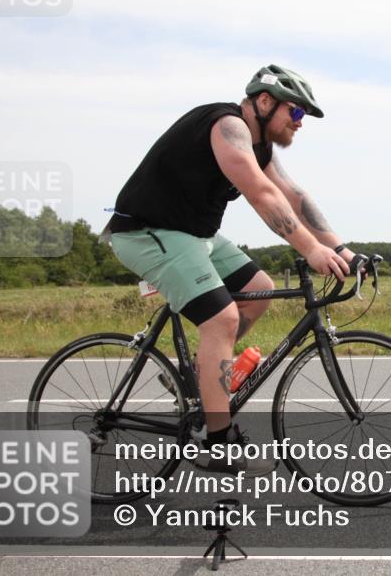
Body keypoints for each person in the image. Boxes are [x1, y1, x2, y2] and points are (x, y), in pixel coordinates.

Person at [104, 65, 356, 474]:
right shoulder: (228, 127)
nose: (300, 123)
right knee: (221, 319)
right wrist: (310, 250)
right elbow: (261, 195)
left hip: (194, 234)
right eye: (295, 113)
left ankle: (205, 381)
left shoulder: (260, 148)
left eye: (303, 117)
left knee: (260, 289)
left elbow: (292, 196)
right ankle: (217, 446)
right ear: (264, 102)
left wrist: (341, 249)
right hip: (146, 231)